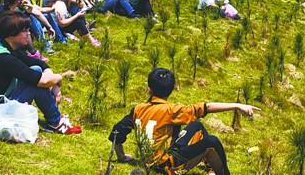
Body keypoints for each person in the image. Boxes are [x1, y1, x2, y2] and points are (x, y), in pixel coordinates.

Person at [109, 68, 257, 175]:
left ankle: (210, 168)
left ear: (149, 89)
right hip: (165, 166)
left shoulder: (138, 109)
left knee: (197, 125)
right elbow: (207, 107)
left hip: (149, 161)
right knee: (211, 141)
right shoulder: (171, 111)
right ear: (172, 89)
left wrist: (121, 156)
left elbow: (117, 130)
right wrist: (237, 105)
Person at [0, 11, 81, 135]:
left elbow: (40, 64)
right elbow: (42, 81)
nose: (29, 34)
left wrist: (54, 83)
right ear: (11, 34)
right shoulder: (5, 58)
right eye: (25, 31)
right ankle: (56, 122)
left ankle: (54, 121)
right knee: (36, 85)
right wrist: (59, 78)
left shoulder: (7, 48)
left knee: (36, 71)